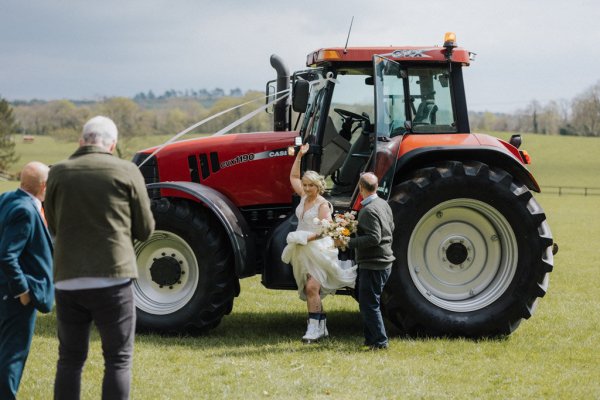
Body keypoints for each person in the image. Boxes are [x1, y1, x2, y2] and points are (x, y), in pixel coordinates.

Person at [44, 116, 155, 400]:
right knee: (117, 359)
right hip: (113, 276)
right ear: (113, 144)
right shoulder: (126, 170)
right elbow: (146, 229)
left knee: (69, 359)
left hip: (68, 278)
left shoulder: (58, 172)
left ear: (82, 141)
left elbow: (53, 225)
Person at [282, 143, 356, 343]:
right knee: (309, 287)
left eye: (311, 185)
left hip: (317, 249)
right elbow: (293, 177)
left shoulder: (323, 205)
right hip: (301, 250)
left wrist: (307, 237)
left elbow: (327, 231)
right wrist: (300, 155)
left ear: (319, 186)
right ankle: (321, 326)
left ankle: (313, 328)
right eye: (305, 185)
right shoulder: (304, 197)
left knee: (312, 288)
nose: (306, 188)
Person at [0, 161, 53, 400]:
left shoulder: (6, 198)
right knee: (13, 355)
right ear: (43, 186)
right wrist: (23, 290)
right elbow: (7, 254)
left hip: (4, 290)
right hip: (15, 295)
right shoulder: (25, 210)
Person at [340, 172, 395, 350]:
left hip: (374, 263)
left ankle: (380, 342)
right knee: (368, 303)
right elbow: (391, 227)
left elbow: (374, 238)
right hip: (383, 262)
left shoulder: (369, 210)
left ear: (361, 188)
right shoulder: (383, 204)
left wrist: (348, 242)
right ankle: (370, 339)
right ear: (376, 187)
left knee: (369, 304)